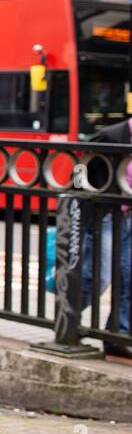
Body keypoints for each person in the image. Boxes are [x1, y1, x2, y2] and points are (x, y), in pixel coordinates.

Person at [81, 117, 132, 358]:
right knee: (98, 277)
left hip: (128, 216)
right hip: (106, 215)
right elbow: (80, 165)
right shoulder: (111, 135)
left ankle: (117, 335)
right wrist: (88, 198)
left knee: (128, 277)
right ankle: (68, 318)